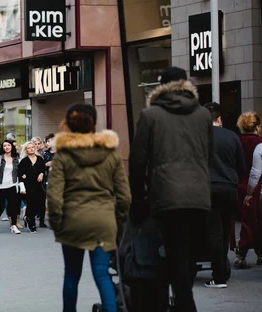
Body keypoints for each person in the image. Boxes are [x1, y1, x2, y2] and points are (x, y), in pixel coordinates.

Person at [129, 66, 212, 312]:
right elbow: (207, 155)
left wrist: (138, 197)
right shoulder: (203, 115)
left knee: (166, 251)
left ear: (160, 86)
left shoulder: (150, 115)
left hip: (165, 194)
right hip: (198, 196)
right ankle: (182, 301)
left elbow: (138, 161)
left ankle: (179, 303)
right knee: (185, 252)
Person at [48, 103, 131, 312]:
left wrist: (57, 223)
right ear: (94, 123)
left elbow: (54, 195)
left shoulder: (63, 155)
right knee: (102, 274)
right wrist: (119, 220)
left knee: (72, 274)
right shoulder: (110, 153)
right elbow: (124, 196)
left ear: (68, 124)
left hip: (73, 221)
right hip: (103, 222)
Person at [202, 102, 244, 288]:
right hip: (229, 189)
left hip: (208, 189)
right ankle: (224, 269)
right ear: (220, 118)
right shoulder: (232, 136)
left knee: (213, 232)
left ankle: (218, 276)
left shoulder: (200, 136)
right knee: (226, 231)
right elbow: (241, 166)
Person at [234, 111, 262, 268]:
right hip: (255, 187)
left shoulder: (236, 141)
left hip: (238, 185)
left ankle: (241, 253)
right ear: (257, 126)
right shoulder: (260, 142)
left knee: (246, 220)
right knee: (256, 220)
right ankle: (256, 252)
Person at [0, 140, 21, 235]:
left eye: (8, 145)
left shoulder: (16, 158)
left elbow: (18, 171)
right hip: (0, 186)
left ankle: (13, 226)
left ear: (12, 147)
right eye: (4, 146)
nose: (7, 147)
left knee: (13, 207)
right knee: (0, 207)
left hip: (12, 185)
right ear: (2, 148)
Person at [19, 141, 46, 233]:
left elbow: (43, 169)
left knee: (39, 204)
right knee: (31, 204)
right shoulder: (24, 161)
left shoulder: (40, 159)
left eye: (32, 147)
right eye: (29, 148)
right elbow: (19, 173)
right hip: (28, 186)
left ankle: (27, 217)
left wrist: (42, 174)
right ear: (26, 150)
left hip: (38, 185)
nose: (31, 149)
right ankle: (32, 224)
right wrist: (23, 175)